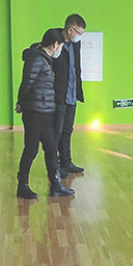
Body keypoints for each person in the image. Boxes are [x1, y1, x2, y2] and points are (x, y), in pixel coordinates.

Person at [16, 29, 75, 199]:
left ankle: (56, 185)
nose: (60, 50)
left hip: (46, 112)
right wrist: (21, 102)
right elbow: (27, 83)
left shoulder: (45, 60)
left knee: (51, 149)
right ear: (55, 44)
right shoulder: (36, 59)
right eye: (61, 46)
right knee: (31, 149)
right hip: (35, 113)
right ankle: (22, 185)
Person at [52, 14, 86, 178]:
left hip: (72, 93)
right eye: (79, 32)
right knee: (55, 133)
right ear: (70, 30)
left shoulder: (75, 44)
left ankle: (66, 162)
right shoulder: (55, 41)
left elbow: (75, 68)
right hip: (58, 95)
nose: (80, 36)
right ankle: (54, 167)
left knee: (67, 130)